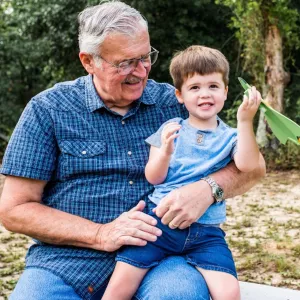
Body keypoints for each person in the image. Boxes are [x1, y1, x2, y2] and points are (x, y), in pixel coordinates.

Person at [0, 1, 265, 300]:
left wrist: (209, 189)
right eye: (125, 62)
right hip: (68, 260)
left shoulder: (175, 102)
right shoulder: (47, 110)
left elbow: (253, 168)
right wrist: (101, 234)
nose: (140, 72)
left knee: (178, 295)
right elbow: (14, 210)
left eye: (145, 57)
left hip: (163, 252)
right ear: (89, 61)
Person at [102, 45, 262, 300]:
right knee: (119, 288)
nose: (205, 94)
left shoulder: (231, 136)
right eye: (195, 88)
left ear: (225, 91)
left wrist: (245, 121)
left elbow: (248, 165)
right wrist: (164, 152)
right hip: (158, 224)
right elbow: (153, 177)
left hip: (206, 232)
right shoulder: (170, 128)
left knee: (230, 292)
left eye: (213, 86)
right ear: (179, 95)